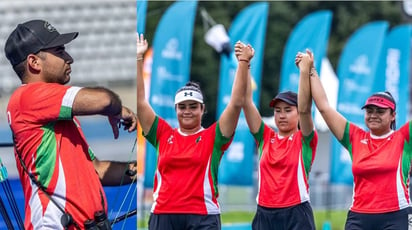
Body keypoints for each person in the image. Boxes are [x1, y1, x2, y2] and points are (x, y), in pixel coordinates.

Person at [4, 19, 137, 229]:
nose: (70, 58)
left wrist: (146, 171)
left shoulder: (56, 114)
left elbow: (96, 170)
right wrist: (116, 109)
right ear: (34, 62)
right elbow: (104, 100)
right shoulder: (28, 97)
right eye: (60, 51)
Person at [137, 34, 253, 230]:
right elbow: (140, 103)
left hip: (203, 216)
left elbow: (236, 103)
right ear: (176, 109)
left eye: (193, 106)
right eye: (182, 106)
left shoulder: (214, 136)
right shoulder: (164, 134)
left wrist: (243, 62)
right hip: (164, 215)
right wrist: (139, 59)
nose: (187, 111)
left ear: (202, 109)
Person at [300, 49, 412, 229]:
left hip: (397, 216)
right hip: (359, 217)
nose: (373, 115)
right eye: (369, 111)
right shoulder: (354, 137)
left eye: (380, 111)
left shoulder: (404, 137)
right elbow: (324, 108)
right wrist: (311, 71)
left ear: (393, 116)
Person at [242, 49, 318, 229]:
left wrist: (304, 71)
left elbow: (306, 108)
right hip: (264, 214)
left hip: (296, 213)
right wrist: (245, 64)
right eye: (277, 111)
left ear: (298, 113)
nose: (282, 115)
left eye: (288, 110)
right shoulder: (265, 137)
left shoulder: (305, 139)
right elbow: (246, 102)